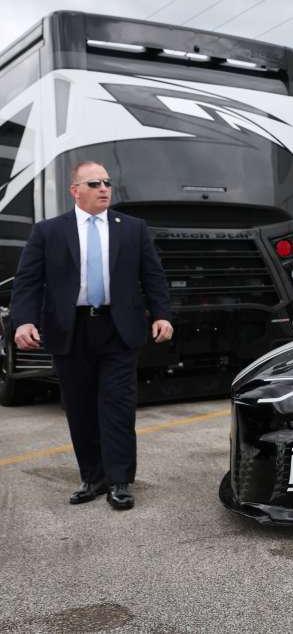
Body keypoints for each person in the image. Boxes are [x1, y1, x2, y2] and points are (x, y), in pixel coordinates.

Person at [11, 161, 173, 510]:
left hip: (118, 329)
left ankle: (119, 481)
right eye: (95, 183)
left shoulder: (133, 229)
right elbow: (27, 282)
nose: (104, 189)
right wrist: (23, 322)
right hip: (71, 330)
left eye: (107, 183)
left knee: (118, 406)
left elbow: (153, 276)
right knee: (80, 407)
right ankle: (92, 477)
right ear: (75, 191)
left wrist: (162, 314)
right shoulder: (48, 231)